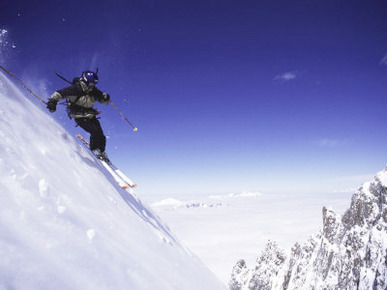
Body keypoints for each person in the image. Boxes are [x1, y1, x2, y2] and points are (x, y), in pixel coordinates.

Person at [47, 70, 110, 159]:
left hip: (90, 115)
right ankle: (95, 148)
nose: (93, 86)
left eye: (94, 84)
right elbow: (59, 93)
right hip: (79, 116)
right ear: (86, 81)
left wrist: (105, 98)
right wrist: (52, 101)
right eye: (91, 84)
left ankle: (101, 150)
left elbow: (102, 100)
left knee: (101, 134)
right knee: (95, 132)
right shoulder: (76, 89)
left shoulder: (93, 91)